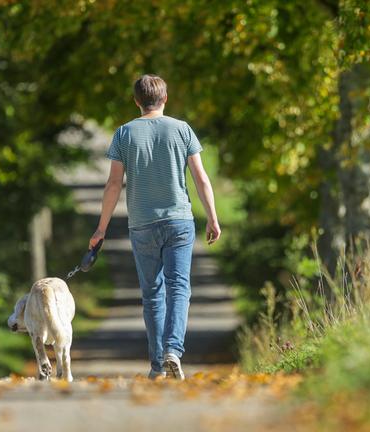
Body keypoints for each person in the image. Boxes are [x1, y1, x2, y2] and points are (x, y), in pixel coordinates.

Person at [88, 74, 221, 380]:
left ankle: (158, 365)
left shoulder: (124, 134)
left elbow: (113, 184)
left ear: (136, 101)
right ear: (165, 98)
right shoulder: (182, 129)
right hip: (179, 220)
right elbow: (201, 178)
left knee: (152, 294)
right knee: (179, 288)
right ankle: (173, 350)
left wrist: (101, 229)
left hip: (142, 223)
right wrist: (212, 216)